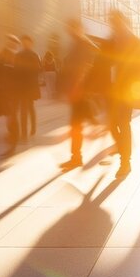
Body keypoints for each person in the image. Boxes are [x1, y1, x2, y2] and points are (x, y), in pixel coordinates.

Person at [105, 10, 140, 178]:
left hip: (126, 91)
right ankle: (123, 149)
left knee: (123, 124)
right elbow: (102, 64)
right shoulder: (111, 42)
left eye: (116, 22)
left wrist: (137, 90)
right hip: (112, 90)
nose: (113, 25)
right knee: (111, 124)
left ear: (123, 22)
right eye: (112, 22)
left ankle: (126, 162)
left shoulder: (135, 42)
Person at [58, 18, 100, 170]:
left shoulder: (82, 44)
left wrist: (78, 87)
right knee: (77, 124)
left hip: (80, 91)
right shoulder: (78, 43)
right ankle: (76, 156)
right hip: (78, 91)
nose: (69, 31)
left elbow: (84, 68)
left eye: (71, 27)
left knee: (76, 125)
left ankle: (76, 157)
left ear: (78, 28)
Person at [0, 36, 21, 156]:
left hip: (12, 93)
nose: (13, 45)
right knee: (10, 117)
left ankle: (13, 143)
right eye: (11, 43)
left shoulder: (12, 56)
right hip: (7, 92)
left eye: (14, 43)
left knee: (11, 118)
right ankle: (12, 140)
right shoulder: (4, 55)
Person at [15, 35, 42, 140]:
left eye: (27, 42)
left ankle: (33, 127)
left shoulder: (34, 55)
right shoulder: (19, 55)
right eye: (23, 42)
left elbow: (39, 70)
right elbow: (15, 71)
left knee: (29, 107)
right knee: (23, 109)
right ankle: (24, 132)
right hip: (22, 86)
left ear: (31, 43)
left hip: (30, 86)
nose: (25, 44)